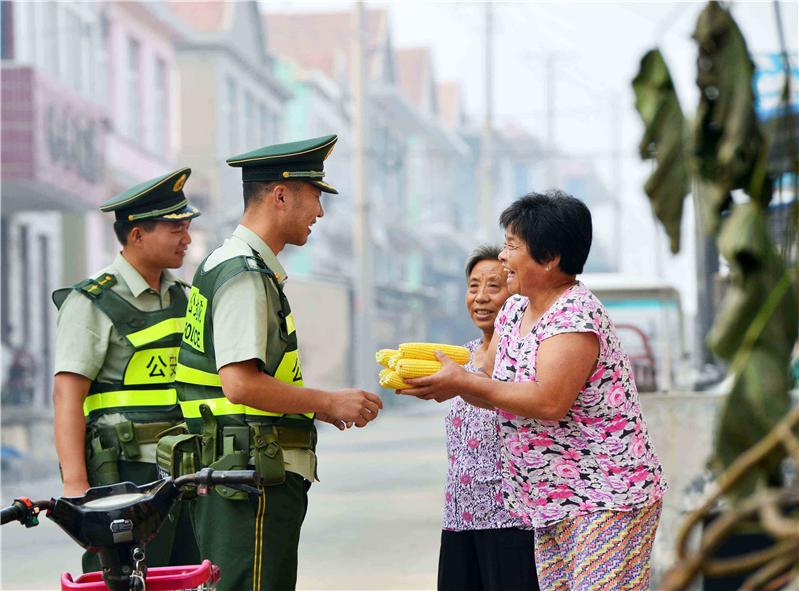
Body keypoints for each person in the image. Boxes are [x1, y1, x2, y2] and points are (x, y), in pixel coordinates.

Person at [405, 190, 667, 591]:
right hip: (547, 501)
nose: (504, 257)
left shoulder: (574, 315)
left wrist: (463, 382)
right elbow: (497, 391)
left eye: (512, 246)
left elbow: (548, 401)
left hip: (606, 497)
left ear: (549, 259)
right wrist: (451, 385)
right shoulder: (514, 311)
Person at [175, 134, 383, 591]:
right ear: (281, 195)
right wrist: (327, 401)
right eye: (315, 197)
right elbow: (241, 384)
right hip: (248, 479)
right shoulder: (244, 274)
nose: (321, 213)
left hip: (237, 474)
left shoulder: (225, 264)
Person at [52, 168, 201, 573]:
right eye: (176, 230)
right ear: (136, 234)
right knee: (125, 579)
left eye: (186, 228)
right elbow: (68, 395)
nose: (186, 239)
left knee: (186, 577)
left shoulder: (185, 298)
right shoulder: (92, 302)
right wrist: (76, 485)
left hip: (183, 473)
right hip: (122, 475)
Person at [439, 245, 539, 591]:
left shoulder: (527, 351)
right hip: (459, 519)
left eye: (493, 287)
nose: (480, 297)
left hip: (512, 520)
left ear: (515, 289)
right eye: (473, 286)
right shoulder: (459, 356)